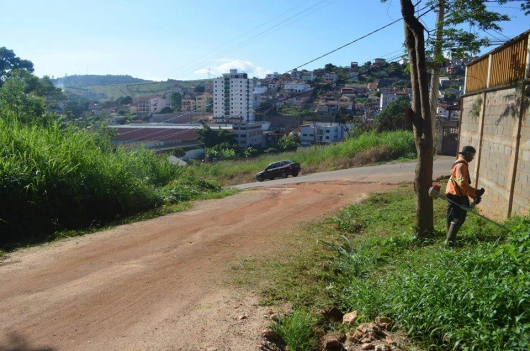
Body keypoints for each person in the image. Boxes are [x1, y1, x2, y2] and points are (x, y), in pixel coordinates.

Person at [444, 146, 485, 246]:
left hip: (459, 194)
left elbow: (463, 185)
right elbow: (461, 183)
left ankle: (450, 239)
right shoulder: (461, 165)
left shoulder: (462, 164)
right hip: (455, 195)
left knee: (456, 217)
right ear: (466, 153)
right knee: (457, 218)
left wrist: (473, 196)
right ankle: (449, 242)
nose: (473, 158)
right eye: (472, 155)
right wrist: (476, 191)